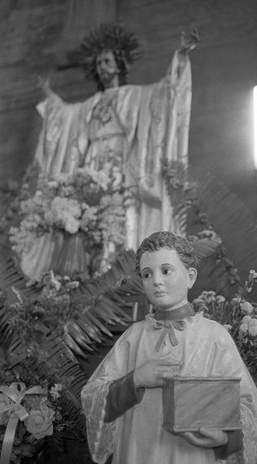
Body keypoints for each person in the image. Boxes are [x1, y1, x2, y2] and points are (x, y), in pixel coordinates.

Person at [18, 24, 197, 281]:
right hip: (90, 172)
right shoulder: (90, 105)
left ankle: (118, 280)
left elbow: (165, 93)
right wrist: (49, 95)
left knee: (119, 223)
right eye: (99, 62)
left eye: (107, 60)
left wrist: (181, 54)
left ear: (120, 63)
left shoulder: (134, 96)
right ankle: (85, 279)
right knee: (86, 226)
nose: (102, 66)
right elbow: (66, 117)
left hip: (119, 170)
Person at [81, 231, 257, 464]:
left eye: (166, 270)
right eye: (147, 274)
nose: (156, 280)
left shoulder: (214, 336)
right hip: (140, 456)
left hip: (196, 459)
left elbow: (247, 405)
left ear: (190, 277)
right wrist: (135, 380)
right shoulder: (134, 337)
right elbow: (93, 396)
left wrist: (225, 437)